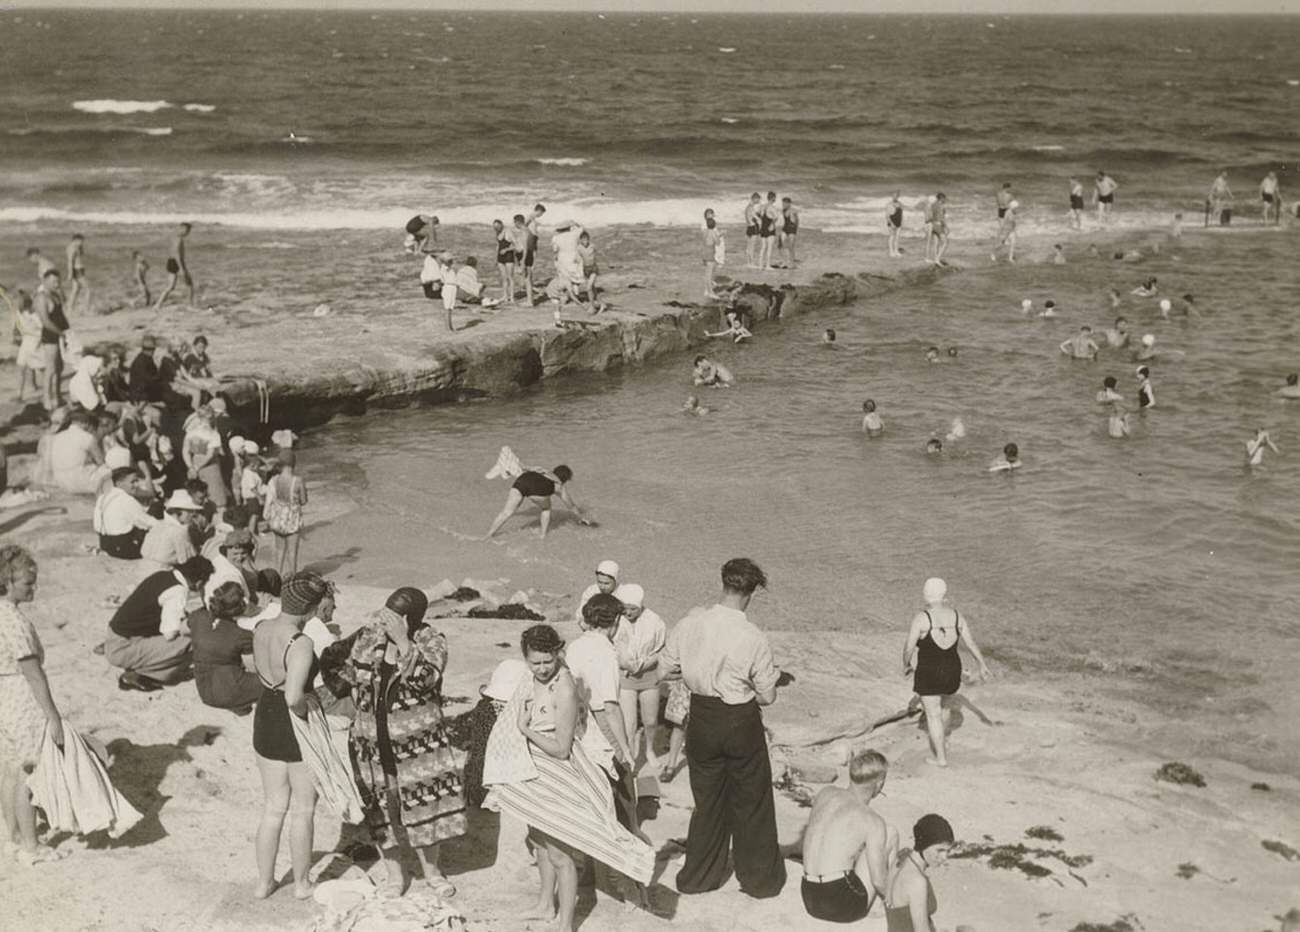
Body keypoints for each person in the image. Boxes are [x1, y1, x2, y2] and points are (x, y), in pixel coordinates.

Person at [484, 624, 655, 931]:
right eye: (534, 662)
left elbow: (562, 749)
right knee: (540, 843)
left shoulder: (563, 687)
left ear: (558, 654)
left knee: (561, 854)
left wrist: (525, 730)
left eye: (547, 661)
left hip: (558, 774)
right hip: (534, 773)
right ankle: (545, 906)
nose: (541, 669)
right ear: (525, 658)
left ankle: (565, 924)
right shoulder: (530, 678)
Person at [321, 587, 465, 895]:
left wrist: (403, 642)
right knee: (380, 809)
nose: (384, 619)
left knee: (425, 805)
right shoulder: (368, 636)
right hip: (371, 741)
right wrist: (350, 699)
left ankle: (433, 872)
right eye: (385, 611)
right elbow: (332, 659)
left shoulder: (431, 641)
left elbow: (425, 680)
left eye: (393, 615)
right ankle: (395, 876)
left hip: (417, 744)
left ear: (409, 619)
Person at [660, 557, 785, 899]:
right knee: (752, 800)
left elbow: (666, 668)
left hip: (702, 717)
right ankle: (759, 880)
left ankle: (699, 877)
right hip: (739, 718)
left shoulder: (690, 623)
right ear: (753, 592)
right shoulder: (753, 636)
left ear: (724, 583)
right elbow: (768, 696)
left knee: (708, 800)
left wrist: (696, 675)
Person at [251, 572, 329, 900]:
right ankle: (301, 883)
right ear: (310, 608)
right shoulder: (301, 642)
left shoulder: (261, 628)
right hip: (292, 723)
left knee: (272, 807)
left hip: (264, 716)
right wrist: (309, 711)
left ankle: (264, 882)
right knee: (303, 809)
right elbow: (293, 696)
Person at [0, 545, 68, 866]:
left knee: (10, 769)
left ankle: (13, 835)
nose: (33, 588)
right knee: (29, 773)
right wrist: (52, 716)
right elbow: (33, 674)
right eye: (27, 583)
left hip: (4, 696)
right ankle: (31, 845)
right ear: (7, 582)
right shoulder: (14, 621)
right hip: (22, 697)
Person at [568, 593, 639, 835]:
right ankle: (627, 838)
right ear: (615, 622)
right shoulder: (607, 653)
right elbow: (610, 707)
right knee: (623, 786)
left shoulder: (576, 646)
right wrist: (625, 749)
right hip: (600, 723)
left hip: (578, 721)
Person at [800, 749, 899, 924]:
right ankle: (889, 902)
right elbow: (878, 880)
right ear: (879, 784)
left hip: (808, 896)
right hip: (841, 904)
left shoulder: (825, 793)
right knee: (890, 833)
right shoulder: (871, 820)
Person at [902, 578, 991, 767]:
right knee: (945, 708)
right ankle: (945, 739)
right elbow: (971, 644)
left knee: (933, 715)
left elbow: (909, 647)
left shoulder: (922, 618)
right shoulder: (957, 616)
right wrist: (982, 664)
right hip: (951, 671)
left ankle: (940, 758)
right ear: (944, 594)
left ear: (926, 595)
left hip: (929, 672)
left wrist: (906, 664)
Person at [106, 555, 212, 692]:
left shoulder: (163, 576)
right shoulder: (178, 591)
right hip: (122, 648)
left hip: (116, 637)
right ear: (198, 583)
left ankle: (147, 665)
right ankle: (142, 674)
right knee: (192, 640)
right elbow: (170, 634)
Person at [612, 583, 666, 772]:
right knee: (629, 722)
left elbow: (660, 649)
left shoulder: (655, 621)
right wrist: (626, 664)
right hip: (625, 676)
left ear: (641, 606)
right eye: (625, 608)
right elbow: (612, 647)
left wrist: (643, 664)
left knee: (650, 720)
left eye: (633, 609)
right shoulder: (616, 620)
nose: (628, 613)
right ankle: (631, 754)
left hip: (649, 674)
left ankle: (649, 749)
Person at [189, 581, 262, 713]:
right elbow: (253, 668)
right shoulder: (241, 635)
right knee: (271, 683)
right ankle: (240, 702)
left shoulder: (198, 617)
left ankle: (239, 703)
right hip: (228, 691)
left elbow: (183, 629)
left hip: (204, 688)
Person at [885, 814, 955, 932]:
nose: (944, 857)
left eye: (948, 851)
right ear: (924, 844)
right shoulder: (917, 881)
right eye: (940, 850)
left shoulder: (902, 858)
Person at [485, 463, 587, 540]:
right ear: (565, 479)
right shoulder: (559, 485)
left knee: (506, 512)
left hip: (521, 481)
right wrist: (582, 518)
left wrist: (509, 471)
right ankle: (542, 535)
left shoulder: (542, 469)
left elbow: (523, 468)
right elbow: (571, 506)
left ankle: (487, 536)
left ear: (554, 470)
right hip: (537, 490)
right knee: (546, 508)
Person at [94, 467, 158, 559]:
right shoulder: (126, 500)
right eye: (132, 482)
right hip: (125, 550)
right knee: (156, 508)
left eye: (137, 481)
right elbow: (148, 523)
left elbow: (97, 526)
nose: (136, 485)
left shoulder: (103, 497)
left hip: (105, 545)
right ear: (119, 484)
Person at [264, 450, 307, 576]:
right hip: (292, 520)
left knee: (279, 551)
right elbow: (303, 501)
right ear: (294, 464)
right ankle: (293, 577)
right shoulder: (298, 481)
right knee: (292, 552)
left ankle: (277, 578)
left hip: (278, 519)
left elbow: (270, 499)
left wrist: (266, 515)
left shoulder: (274, 480)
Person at [32, 266, 68, 413]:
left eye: (58, 281)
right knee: (50, 368)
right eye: (53, 281)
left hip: (60, 333)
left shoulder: (55, 295)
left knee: (60, 367)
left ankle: (57, 396)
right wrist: (60, 333)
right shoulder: (41, 298)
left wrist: (66, 332)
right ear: (45, 281)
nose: (56, 284)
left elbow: (61, 314)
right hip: (50, 335)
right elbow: (46, 321)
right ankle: (46, 399)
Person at [48, 409, 109, 494]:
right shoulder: (87, 437)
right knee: (107, 471)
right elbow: (101, 462)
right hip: (78, 482)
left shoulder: (57, 437)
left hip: (60, 481)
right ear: (87, 424)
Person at [140, 488, 203, 570]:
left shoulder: (157, 525)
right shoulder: (179, 531)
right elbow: (188, 561)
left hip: (143, 569)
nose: (192, 515)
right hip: (162, 573)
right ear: (180, 512)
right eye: (190, 511)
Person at [183, 406, 229, 509]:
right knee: (215, 494)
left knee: (198, 493)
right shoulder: (213, 434)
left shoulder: (190, 433)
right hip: (209, 466)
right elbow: (210, 455)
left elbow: (185, 452)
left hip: (195, 463)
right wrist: (196, 467)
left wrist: (191, 467)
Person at [10, 288, 45, 403]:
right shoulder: (18, 312)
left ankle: (50, 391)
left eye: (16, 300)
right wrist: (16, 335)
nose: (14, 302)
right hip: (26, 342)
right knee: (21, 367)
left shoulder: (33, 314)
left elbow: (42, 327)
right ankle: (19, 394)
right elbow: (17, 326)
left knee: (41, 367)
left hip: (35, 341)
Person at [154, 222, 194, 309]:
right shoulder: (179, 239)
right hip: (177, 262)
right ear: (181, 228)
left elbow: (172, 251)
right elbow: (177, 254)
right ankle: (190, 305)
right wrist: (182, 268)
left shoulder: (173, 237)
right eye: (187, 230)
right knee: (189, 284)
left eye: (189, 231)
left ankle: (158, 304)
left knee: (170, 286)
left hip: (171, 261)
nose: (188, 233)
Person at [65, 233, 90, 315]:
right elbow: (70, 261)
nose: (82, 243)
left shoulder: (76, 247)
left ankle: (69, 309)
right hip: (77, 270)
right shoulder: (71, 248)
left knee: (75, 290)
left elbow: (80, 255)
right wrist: (70, 273)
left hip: (79, 269)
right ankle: (85, 309)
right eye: (81, 241)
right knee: (87, 290)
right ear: (76, 240)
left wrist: (80, 248)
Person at [575, 231, 600, 311]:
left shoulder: (592, 246)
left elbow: (600, 254)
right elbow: (577, 258)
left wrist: (608, 264)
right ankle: (596, 300)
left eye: (586, 239)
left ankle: (592, 306)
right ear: (581, 240)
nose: (585, 241)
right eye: (583, 240)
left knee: (588, 287)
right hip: (585, 269)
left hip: (593, 268)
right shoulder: (579, 247)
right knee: (592, 286)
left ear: (589, 239)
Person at [702, 209, 724, 299]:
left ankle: (707, 290)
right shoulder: (713, 233)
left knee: (707, 273)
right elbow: (718, 242)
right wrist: (721, 234)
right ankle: (710, 292)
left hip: (704, 252)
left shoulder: (704, 232)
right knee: (709, 274)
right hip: (710, 253)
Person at [758, 191, 779, 271]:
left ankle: (760, 265)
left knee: (763, 247)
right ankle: (767, 266)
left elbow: (758, 215)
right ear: (773, 198)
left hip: (763, 228)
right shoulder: (772, 208)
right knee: (769, 247)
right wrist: (771, 225)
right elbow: (776, 218)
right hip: (770, 228)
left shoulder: (762, 206)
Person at [928, 193, 950, 266]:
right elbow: (941, 218)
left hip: (933, 225)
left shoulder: (933, 205)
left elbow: (930, 216)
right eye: (944, 199)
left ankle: (935, 259)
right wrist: (946, 226)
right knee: (945, 243)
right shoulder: (941, 206)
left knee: (936, 243)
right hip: (938, 225)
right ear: (941, 198)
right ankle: (937, 259)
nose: (945, 200)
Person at [779, 196, 799, 267]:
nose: (783, 205)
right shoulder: (783, 210)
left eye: (784, 203)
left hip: (791, 228)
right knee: (781, 245)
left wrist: (795, 231)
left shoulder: (793, 211)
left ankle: (792, 263)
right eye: (783, 203)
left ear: (789, 203)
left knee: (791, 246)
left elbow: (797, 221)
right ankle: (784, 261)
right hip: (785, 228)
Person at [744, 192, 763, 267]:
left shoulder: (748, 207)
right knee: (752, 246)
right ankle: (751, 263)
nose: (759, 201)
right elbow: (755, 218)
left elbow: (749, 217)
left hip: (749, 227)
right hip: (753, 227)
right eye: (758, 199)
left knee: (749, 246)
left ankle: (748, 262)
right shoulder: (751, 207)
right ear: (754, 199)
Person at [885, 192, 904, 257]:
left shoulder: (900, 204)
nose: (895, 197)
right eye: (894, 196)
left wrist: (901, 222)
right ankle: (891, 252)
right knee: (892, 237)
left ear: (898, 197)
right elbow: (887, 216)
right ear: (892, 196)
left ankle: (896, 251)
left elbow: (901, 214)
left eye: (896, 196)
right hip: (892, 222)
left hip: (899, 223)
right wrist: (892, 224)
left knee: (897, 237)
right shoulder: (889, 204)